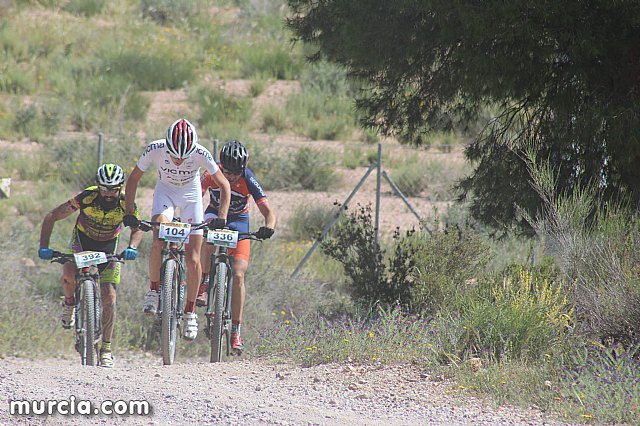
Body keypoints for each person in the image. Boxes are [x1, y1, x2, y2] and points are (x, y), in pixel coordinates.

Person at [123, 118, 231, 341]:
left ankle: (190, 312)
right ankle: (153, 290)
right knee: (158, 239)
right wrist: (129, 212)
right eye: (174, 156)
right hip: (165, 193)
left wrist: (221, 217)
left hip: (191, 196)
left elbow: (225, 185)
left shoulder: (201, 153)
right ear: (167, 147)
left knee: (193, 258)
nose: (179, 161)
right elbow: (133, 180)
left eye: (184, 156)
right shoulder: (155, 148)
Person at [38, 163, 143, 368]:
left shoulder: (125, 202)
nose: (108, 193)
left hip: (108, 246)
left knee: (110, 297)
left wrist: (132, 246)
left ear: (120, 187)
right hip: (82, 241)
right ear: (98, 186)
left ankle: (106, 348)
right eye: (104, 188)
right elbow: (52, 216)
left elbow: (136, 227)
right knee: (68, 274)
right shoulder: (86, 197)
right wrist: (44, 246)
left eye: (113, 189)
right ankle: (69, 303)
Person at [199, 139, 276, 355]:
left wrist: (268, 227)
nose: (231, 176)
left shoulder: (248, 178)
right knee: (206, 238)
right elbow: (197, 194)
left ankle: (236, 330)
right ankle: (204, 282)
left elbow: (269, 211)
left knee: (239, 275)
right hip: (215, 215)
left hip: (239, 222)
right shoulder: (212, 172)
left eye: (236, 172)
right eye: (228, 171)